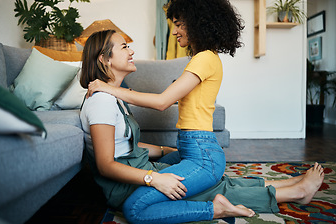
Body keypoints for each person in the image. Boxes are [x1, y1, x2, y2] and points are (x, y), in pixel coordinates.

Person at [80, 30, 325, 224]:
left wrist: (165, 152)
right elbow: (107, 163)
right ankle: (223, 207)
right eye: (124, 47)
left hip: (139, 168)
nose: (131, 50)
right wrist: (154, 178)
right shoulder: (102, 100)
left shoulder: (111, 97)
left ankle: (289, 187)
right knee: (144, 207)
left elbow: (125, 144)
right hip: (128, 181)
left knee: (204, 182)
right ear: (104, 58)